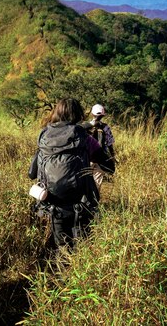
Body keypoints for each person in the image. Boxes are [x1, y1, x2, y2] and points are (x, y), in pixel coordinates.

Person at [28, 98, 114, 250]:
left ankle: (60, 270)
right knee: (83, 249)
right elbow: (110, 167)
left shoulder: (44, 138)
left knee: (62, 249)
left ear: (56, 114)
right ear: (78, 115)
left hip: (53, 204)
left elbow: (32, 173)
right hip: (81, 203)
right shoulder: (86, 139)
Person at [88, 104, 116, 188]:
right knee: (97, 182)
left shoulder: (86, 126)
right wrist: (112, 156)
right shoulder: (105, 127)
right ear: (102, 116)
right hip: (100, 158)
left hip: (88, 158)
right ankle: (95, 198)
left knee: (86, 180)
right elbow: (110, 143)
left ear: (92, 114)